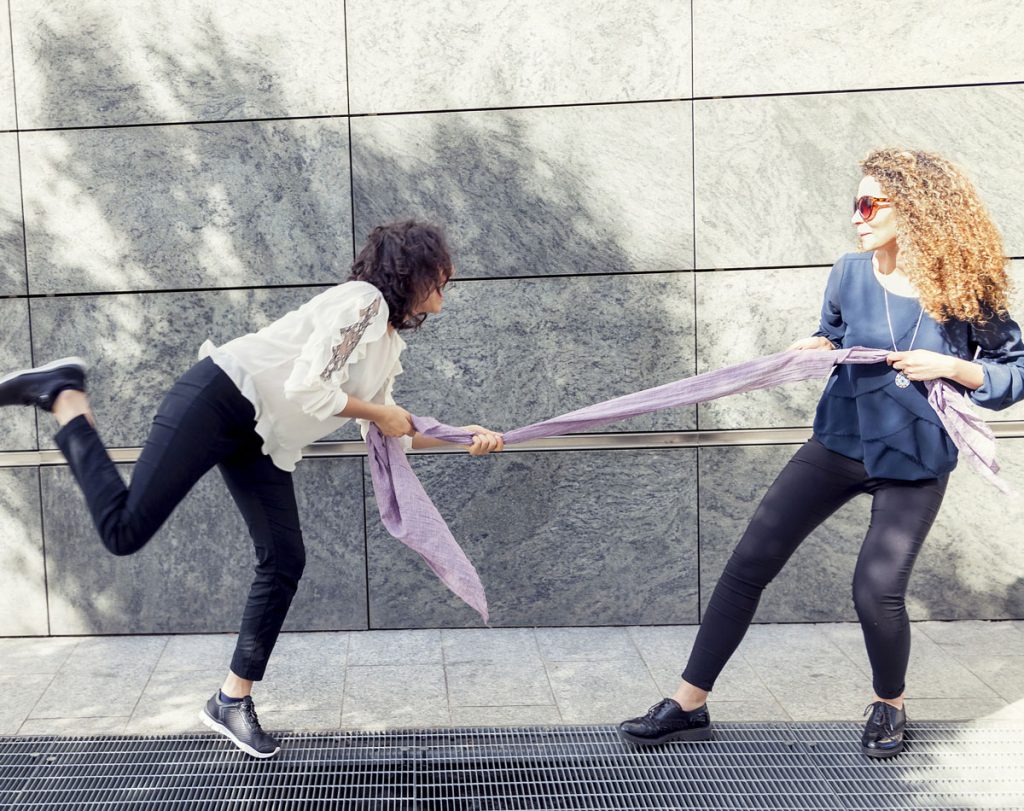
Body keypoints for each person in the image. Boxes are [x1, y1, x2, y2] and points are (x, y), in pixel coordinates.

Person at [0, 220, 504, 758]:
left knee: (285, 557)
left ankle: (229, 699)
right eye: (441, 274)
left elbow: (389, 429)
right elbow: (311, 387)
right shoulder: (362, 304)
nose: (447, 283)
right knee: (123, 531)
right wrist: (382, 411)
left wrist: (463, 437)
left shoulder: (387, 340)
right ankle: (65, 396)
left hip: (260, 437)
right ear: (414, 270)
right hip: (220, 397)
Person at [618, 149, 1024, 758]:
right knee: (750, 559)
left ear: (912, 209)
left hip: (913, 461)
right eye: (854, 203)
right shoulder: (849, 272)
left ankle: (890, 705)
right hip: (840, 440)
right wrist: (813, 345)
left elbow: (1011, 371)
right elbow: (835, 333)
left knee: (875, 587)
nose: (856, 216)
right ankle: (688, 703)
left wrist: (951, 366)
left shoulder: (964, 290)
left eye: (869, 203)